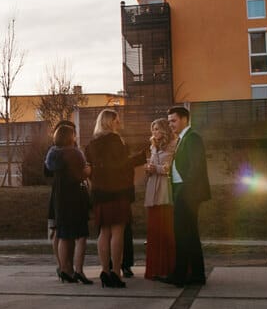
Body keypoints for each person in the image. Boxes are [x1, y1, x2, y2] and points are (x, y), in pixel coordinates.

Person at [84, 109, 143, 289]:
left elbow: (90, 169)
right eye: (117, 120)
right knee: (118, 231)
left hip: (99, 192)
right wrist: (139, 158)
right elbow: (121, 165)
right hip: (117, 191)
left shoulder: (91, 144)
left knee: (104, 232)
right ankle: (116, 272)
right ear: (111, 122)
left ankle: (105, 271)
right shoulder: (116, 141)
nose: (119, 123)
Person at [161, 106, 210, 286]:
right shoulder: (183, 139)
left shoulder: (192, 138)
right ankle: (195, 275)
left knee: (183, 235)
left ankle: (181, 275)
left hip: (187, 193)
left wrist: (184, 192)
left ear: (184, 119)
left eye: (173, 121)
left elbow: (195, 168)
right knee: (188, 235)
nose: (170, 125)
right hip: (182, 191)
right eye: (169, 122)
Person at [45, 122, 92, 284]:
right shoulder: (75, 154)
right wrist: (87, 172)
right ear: (70, 137)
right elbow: (79, 175)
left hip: (59, 198)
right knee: (81, 236)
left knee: (63, 236)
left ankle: (64, 269)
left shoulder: (53, 155)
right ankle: (78, 270)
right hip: (75, 198)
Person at [144, 118, 178, 282]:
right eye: (153, 129)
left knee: (166, 231)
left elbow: (170, 168)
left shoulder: (173, 145)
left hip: (165, 189)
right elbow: (152, 164)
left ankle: (168, 268)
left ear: (164, 130)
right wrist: (148, 169)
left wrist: (155, 168)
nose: (155, 132)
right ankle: (156, 269)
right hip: (152, 190)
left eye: (157, 129)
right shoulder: (152, 146)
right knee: (154, 231)